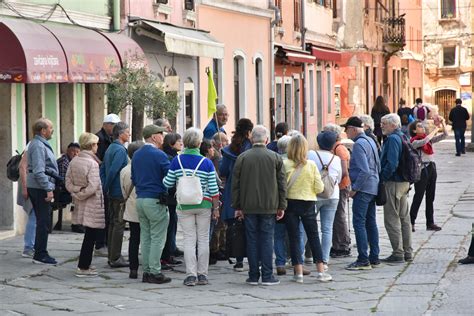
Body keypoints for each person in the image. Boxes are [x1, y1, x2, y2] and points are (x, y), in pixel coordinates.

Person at [164, 127, 220, 286]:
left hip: (184, 205)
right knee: (203, 239)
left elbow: (168, 183)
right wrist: (215, 208)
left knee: (189, 240)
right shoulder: (206, 162)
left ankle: (191, 275)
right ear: (199, 143)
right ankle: (203, 275)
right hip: (204, 203)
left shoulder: (177, 161)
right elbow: (214, 188)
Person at [232, 125, 286, 286]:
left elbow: (236, 185)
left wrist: (237, 206)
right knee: (267, 238)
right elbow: (282, 183)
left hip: (248, 205)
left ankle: (253, 275)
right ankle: (267, 275)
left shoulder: (242, 157)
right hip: (269, 205)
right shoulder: (275, 157)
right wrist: (282, 205)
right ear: (267, 140)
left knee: (252, 239)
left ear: (251, 138)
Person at [283, 134, 332, 283]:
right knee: (313, 236)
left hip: (290, 202)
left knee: (294, 237)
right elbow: (319, 187)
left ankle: (298, 273)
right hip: (308, 202)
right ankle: (321, 272)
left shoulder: (284, 164)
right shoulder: (310, 165)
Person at [132, 125, 171, 284]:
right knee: (157, 237)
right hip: (155, 198)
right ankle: (154, 271)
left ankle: (147, 271)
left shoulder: (136, 154)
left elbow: (133, 178)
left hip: (140, 198)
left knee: (146, 236)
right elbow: (170, 176)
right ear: (153, 137)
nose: (163, 137)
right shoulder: (159, 155)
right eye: (160, 134)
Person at [342, 116, 380, 270]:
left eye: (346, 129)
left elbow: (364, 170)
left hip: (363, 188)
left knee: (359, 222)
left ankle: (363, 258)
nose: (345, 133)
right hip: (373, 186)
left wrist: (355, 188)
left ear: (352, 129)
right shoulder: (371, 140)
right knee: (371, 222)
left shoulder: (359, 144)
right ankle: (374, 256)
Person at [65, 133, 105, 277]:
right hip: (91, 203)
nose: (97, 146)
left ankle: (84, 264)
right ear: (91, 145)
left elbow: (68, 182)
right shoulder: (92, 163)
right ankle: (83, 267)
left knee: (88, 235)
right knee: (90, 236)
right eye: (96, 144)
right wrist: (81, 193)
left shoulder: (74, 161)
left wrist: (76, 193)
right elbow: (93, 186)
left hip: (80, 202)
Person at [219, 118, 254, 272]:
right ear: (249, 132)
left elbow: (223, 170)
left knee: (236, 225)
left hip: (233, 188)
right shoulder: (251, 148)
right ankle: (253, 258)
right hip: (249, 187)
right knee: (250, 225)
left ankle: (238, 260)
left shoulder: (229, 149)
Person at [380, 113, 413, 263]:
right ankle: (407, 251)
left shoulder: (392, 139)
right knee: (404, 218)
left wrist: (383, 178)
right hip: (404, 182)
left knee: (392, 218)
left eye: (384, 124)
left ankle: (398, 253)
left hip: (394, 182)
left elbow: (392, 163)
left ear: (393, 125)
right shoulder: (403, 136)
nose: (381, 126)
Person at [27, 118, 59, 265]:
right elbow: (39, 171)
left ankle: (40, 252)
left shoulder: (39, 144)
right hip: (40, 188)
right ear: (43, 130)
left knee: (42, 221)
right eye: (50, 128)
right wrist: (48, 188)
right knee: (43, 222)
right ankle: (40, 254)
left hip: (38, 187)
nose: (52, 130)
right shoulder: (38, 146)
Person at [409, 119, 448, 232]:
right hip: (422, 170)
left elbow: (445, 135)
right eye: (419, 126)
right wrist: (435, 129)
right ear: (414, 130)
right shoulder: (414, 142)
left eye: (422, 125)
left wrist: (443, 123)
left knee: (430, 197)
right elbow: (425, 141)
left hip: (431, 167)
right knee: (418, 196)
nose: (422, 127)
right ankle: (411, 221)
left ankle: (430, 223)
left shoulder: (428, 140)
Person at [101, 122, 130, 268]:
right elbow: (112, 171)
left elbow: (103, 169)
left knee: (113, 223)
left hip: (112, 190)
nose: (129, 134)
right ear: (120, 134)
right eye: (127, 132)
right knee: (118, 224)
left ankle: (112, 255)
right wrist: (106, 186)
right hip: (118, 191)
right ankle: (115, 257)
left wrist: (105, 186)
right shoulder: (119, 150)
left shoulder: (110, 148)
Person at [313, 131, 342, 269]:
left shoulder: (311, 155)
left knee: (306, 228)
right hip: (332, 195)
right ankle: (324, 260)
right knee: (327, 228)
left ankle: (300, 258)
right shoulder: (336, 159)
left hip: (314, 195)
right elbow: (340, 178)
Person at [323, 124, 352, 259]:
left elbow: (344, 171)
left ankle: (342, 246)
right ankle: (339, 244)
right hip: (340, 186)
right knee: (337, 216)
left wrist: (335, 181)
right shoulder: (337, 148)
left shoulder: (339, 149)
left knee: (339, 215)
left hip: (341, 186)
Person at [95, 113, 120, 256]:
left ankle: (106, 242)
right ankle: (100, 243)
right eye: (114, 126)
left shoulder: (110, 138)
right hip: (102, 178)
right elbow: (96, 156)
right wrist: (105, 166)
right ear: (106, 125)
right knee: (103, 213)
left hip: (105, 177)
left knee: (109, 214)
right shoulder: (100, 138)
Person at [120, 141, 145, 279]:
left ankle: (133, 268)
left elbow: (123, 191)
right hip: (144, 203)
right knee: (147, 237)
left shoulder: (124, 170)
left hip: (130, 205)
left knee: (134, 239)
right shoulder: (143, 168)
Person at [161, 133, 184, 269]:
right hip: (170, 197)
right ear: (171, 142)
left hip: (172, 198)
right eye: (178, 141)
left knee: (172, 226)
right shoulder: (170, 158)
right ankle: (166, 255)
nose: (181, 143)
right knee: (170, 226)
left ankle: (169, 253)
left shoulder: (173, 156)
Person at [57, 143, 81, 232]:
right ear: (67, 151)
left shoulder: (72, 162)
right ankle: (76, 225)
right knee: (80, 197)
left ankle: (78, 223)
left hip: (65, 190)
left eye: (77, 152)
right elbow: (63, 182)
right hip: (60, 192)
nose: (75, 154)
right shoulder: (64, 162)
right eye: (73, 151)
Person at [17, 143, 35, 258]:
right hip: (29, 184)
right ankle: (28, 247)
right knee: (33, 215)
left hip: (31, 184)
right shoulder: (32, 146)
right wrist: (24, 188)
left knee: (34, 215)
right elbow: (22, 167)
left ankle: (31, 246)